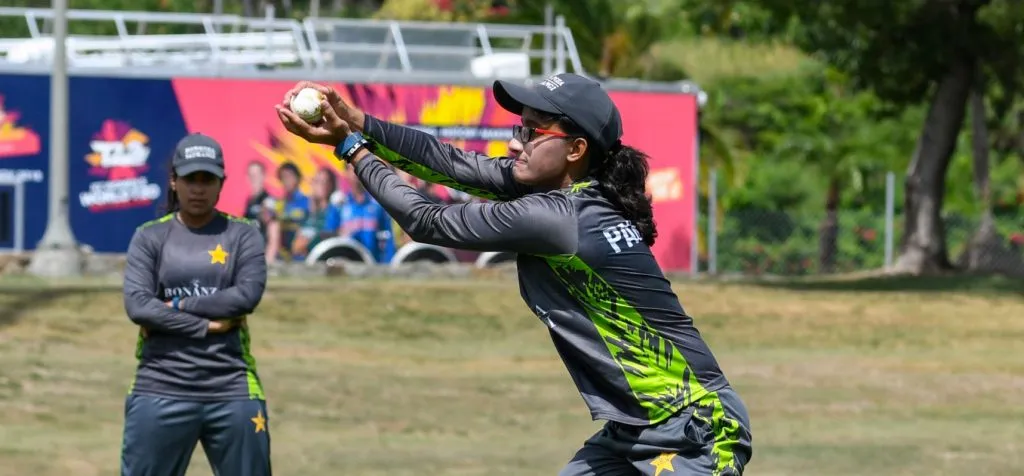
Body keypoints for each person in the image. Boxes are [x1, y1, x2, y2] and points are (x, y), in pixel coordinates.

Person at [275, 74, 752, 475]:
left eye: (531, 132)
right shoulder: (572, 196)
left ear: (575, 148)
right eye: (519, 127)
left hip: (695, 429)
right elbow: (453, 163)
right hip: (635, 431)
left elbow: (428, 221)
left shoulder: (558, 217)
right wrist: (360, 122)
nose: (513, 142)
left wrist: (352, 148)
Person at [121, 133, 271, 476]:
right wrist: (205, 325)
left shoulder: (243, 234)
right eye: (190, 179)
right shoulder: (149, 236)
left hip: (233, 388)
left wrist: (174, 306)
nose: (199, 188)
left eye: (208, 179)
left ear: (222, 183)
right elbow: (138, 307)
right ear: (174, 181)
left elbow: (246, 297)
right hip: (158, 387)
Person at [339, 164, 396, 263]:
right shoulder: (339, 204)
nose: (355, 173)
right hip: (347, 263)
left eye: (358, 168)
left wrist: (388, 263)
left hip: (374, 264)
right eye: (352, 169)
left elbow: (388, 236)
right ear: (346, 173)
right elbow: (330, 234)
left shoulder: (378, 203)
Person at [290, 166, 342, 260]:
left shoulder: (333, 211)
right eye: (317, 181)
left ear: (331, 186)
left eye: (325, 182)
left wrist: (307, 244)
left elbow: (328, 235)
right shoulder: (307, 212)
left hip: (320, 261)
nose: (321, 185)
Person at [264, 161, 309, 263]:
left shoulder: (307, 201)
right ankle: (269, 262)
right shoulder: (279, 203)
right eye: (283, 177)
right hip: (282, 253)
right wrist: (265, 210)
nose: (286, 180)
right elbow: (267, 221)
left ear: (297, 178)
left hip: (301, 252)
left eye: (289, 176)